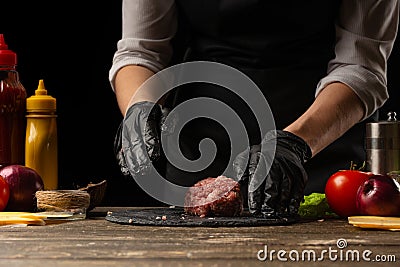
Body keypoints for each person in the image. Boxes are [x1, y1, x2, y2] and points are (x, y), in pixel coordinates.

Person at [109, 0, 399, 217]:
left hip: (318, 147)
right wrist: (141, 108)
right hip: (200, 145)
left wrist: (295, 143)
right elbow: (141, 50)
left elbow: (361, 66)